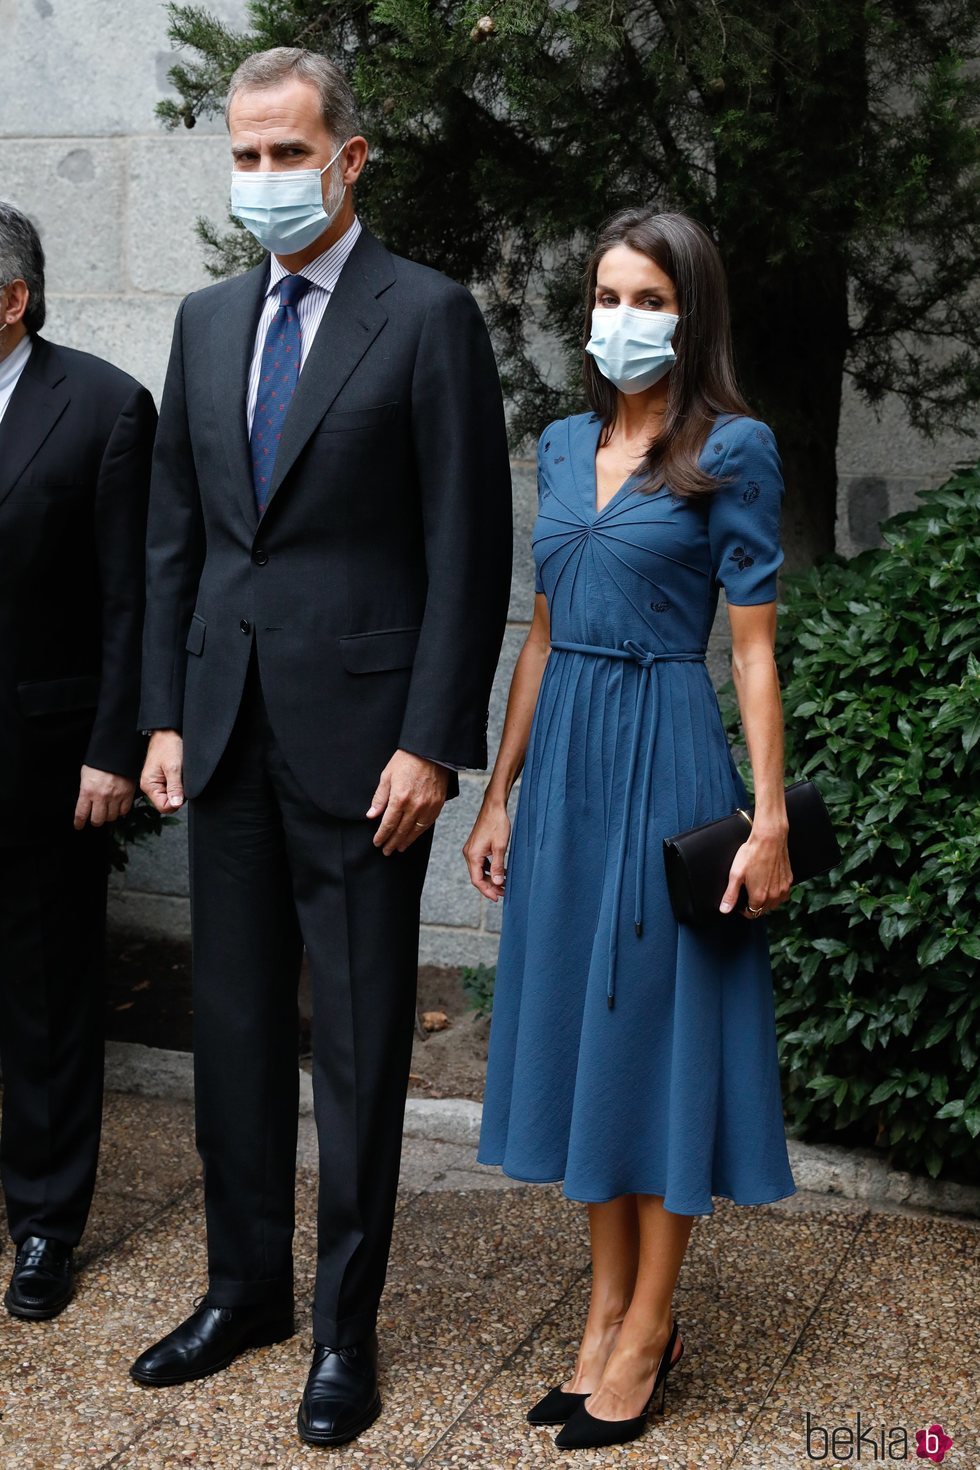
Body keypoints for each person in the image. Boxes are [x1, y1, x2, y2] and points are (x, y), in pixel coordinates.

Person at [132, 47, 512, 1449]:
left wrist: (432, 741)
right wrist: (163, 713)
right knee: (231, 1032)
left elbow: (466, 547)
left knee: (354, 1046)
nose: (264, 181)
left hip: (367, 752)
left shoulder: (427, 318)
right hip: (223, 729)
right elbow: (178, 530)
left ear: (352, 159)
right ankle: (248, 1292)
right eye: (245, 156)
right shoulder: (204, 318)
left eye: (289, 154)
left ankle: (344, 1329)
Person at [464, 208, 797, 1451]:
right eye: (604, 293)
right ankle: (600, 1310)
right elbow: (540, 634)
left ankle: (650, 1325)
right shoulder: (557, 446)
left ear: (689, 310)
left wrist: (765, 820)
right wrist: (499, 792)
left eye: (646, 294)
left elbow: (753, 656)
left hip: (667, 757)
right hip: (564, 775)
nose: (620, 317)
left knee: (656, 1041)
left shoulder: (736, 448)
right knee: (587, 1037)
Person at [0, 203, 156, 1320]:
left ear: (11, 301)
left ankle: (46, 1223)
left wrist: (114, 747)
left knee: (47, 995)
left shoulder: (103, 408)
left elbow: (130, 600)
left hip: (42, 757)